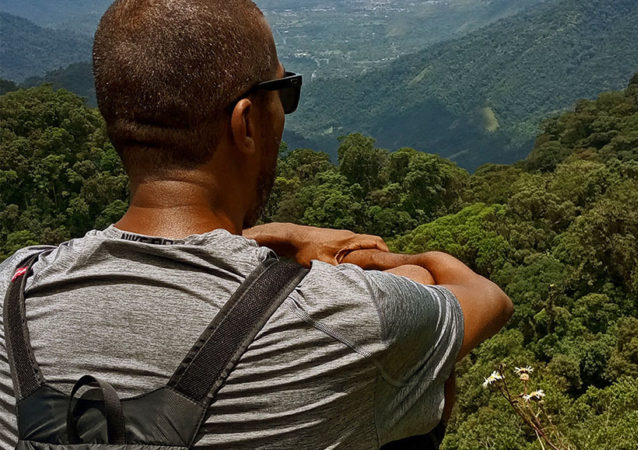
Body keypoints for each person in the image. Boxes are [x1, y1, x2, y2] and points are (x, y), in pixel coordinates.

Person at [0, 0, 513, 447]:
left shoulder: (12, 288)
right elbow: (484, 296)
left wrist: (277, 238)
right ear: (245, 122)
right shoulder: (342, 320)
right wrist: (383, 265)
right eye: (284, 92)